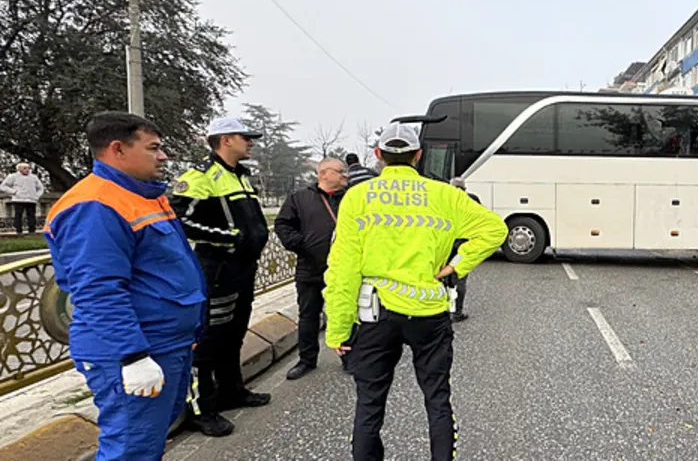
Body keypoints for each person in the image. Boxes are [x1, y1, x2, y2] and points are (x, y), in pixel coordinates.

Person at [324, 121, 508, 461]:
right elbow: (495, 229)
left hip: (376, 315)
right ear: (418, 156)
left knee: (369, 405)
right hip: (429, 313)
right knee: (437, 398)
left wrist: (338, 327)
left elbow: (343, 268)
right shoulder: (445, 195)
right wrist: (457, 266)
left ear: (379, 156)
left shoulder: (357, 197)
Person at [43, 113, 206, 460]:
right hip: (135, 348)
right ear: (118, 149)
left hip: (165, 342)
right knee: (131, 450)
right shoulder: (95, 205)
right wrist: (132, 356)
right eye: (154, 148)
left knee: (147, 444)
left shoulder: (141, 195)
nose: (163, 156)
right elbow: (98, 290)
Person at [170, 117, 273, 437]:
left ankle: (232, 392)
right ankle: (204, 409)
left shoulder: (239, 176)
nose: (251, 142)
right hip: (217, 268)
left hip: (242, 268)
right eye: (246, 137)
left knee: (234, 335)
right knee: (208, 342)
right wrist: (229, 238)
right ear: (226, 139)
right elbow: (177, 217)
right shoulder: (202, 176)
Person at [275, 158, 347, 380]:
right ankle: (307, 359)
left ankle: (349, 357)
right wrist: (301, 243)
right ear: (324, 173)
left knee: (346, 314)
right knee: (308, 315)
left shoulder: (352, 197)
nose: (346, 175)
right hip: (310, 267)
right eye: (340, 172)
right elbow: (282, 224)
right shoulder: (300, 198)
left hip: (345, 268)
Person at [448, 177, 482, 322]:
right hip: (464, 245)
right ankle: (457, 312)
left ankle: (444, 311)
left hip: (446, 244)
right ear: (465, 189)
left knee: (445, 278)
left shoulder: (445, 200)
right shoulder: (473, 199)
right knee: (460, 278)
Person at [2, 162, 45, 234]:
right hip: (19, 199)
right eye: (24, 168)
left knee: (31, 215)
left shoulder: (34, 177)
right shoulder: (13, 176)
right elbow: (3, 186)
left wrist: (37, 195)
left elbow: (40, 188)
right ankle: (18, 230)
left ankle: (32, 230)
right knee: (18, 215)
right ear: (19, 169)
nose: (27, 170)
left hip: (31, 199)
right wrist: (14, 192)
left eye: (28, 168)